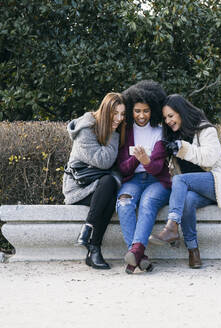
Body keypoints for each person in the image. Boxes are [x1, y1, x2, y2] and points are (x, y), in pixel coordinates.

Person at [149, 94, 221, 268]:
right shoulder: (174, 138)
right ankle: (193, 252)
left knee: (181, 180)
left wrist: (182, 148)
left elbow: (209, 158)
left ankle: (171, 227)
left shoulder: (205, 130)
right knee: (188, 200)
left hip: (217, 185)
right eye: (165, 118)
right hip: (197, 192)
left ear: (181, 112)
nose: (168, 121)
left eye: (171, 116)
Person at [62, 92, 126, 269]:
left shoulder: (113, 127)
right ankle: (93, 243)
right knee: (109, 182)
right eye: (115, 113)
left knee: (111, 192)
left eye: (122, 114)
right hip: (79, 188)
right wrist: (113, 134)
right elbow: (104, 161)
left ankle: (92, 244)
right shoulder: (86, 130)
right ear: (106, 111)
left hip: (99, 187)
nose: (119, 118)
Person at [116, 80, 171, 274]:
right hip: (133, 181)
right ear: (131, 110)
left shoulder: (160, 131)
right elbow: (123, 168)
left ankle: (135, 252)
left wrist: (145, 160)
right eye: (137, 111)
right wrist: (136, 160)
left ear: (153, 110)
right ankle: (140, 257)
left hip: (158, 182)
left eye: (146, 111)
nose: (141, 115)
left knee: (148, 202)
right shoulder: (126, 131)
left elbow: (157, 168)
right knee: (124, 203)